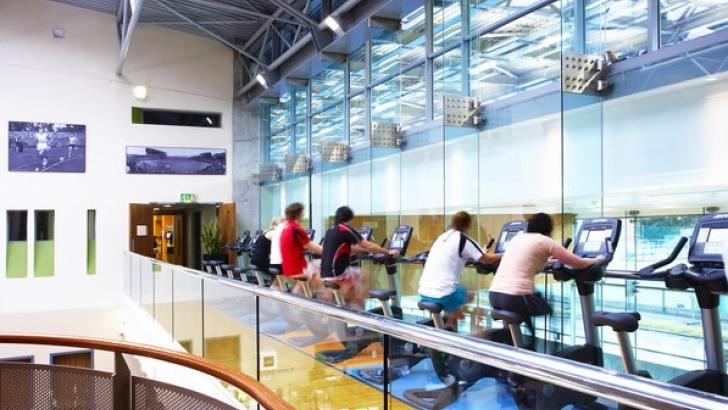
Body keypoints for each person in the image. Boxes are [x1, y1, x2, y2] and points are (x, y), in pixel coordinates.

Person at [489, 212, 605, 342]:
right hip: (515, 298)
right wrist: (598, 259)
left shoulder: (517, 239)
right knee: (548, 309)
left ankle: (528, 343)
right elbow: (580, 263)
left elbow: (531, 262)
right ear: (548, 229)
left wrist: (549, 262)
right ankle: (551, 344)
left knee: (530, 303)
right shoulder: (546, 241)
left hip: (494, 296)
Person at [418, 211, 502, 329]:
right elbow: (487, 259)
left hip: (423, 292)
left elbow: (454, 257)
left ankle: (453, 316)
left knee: (457, 295)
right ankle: (453, 321)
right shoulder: (463, 239)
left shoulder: (442, 237)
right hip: (444, 295)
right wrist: (507, 253)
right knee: (470, 295)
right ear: (468, 225)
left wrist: (479, 254)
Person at [320, 206, 397, 309]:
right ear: (350, 218)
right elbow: (367, 245)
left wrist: (366, 250)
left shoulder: (330, 230)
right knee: (366, 276)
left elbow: (348, 249)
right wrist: (388, 251)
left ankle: (352, 304)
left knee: (354, 282)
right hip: (337, 274)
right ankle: (357, 307)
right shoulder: (345, 228)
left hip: (325, 274)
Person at [279, 203, 323, 291]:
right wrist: (331, 250)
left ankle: (297, 294)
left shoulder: (286, 227)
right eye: (302, 212)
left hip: (287, 268)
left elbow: (302, 246)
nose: (303, 215)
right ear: (298, 214)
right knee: (323, 272)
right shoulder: (296, 229)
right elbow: (314, 248)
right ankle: (324, 297)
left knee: (315, 266)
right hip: (298, 268)